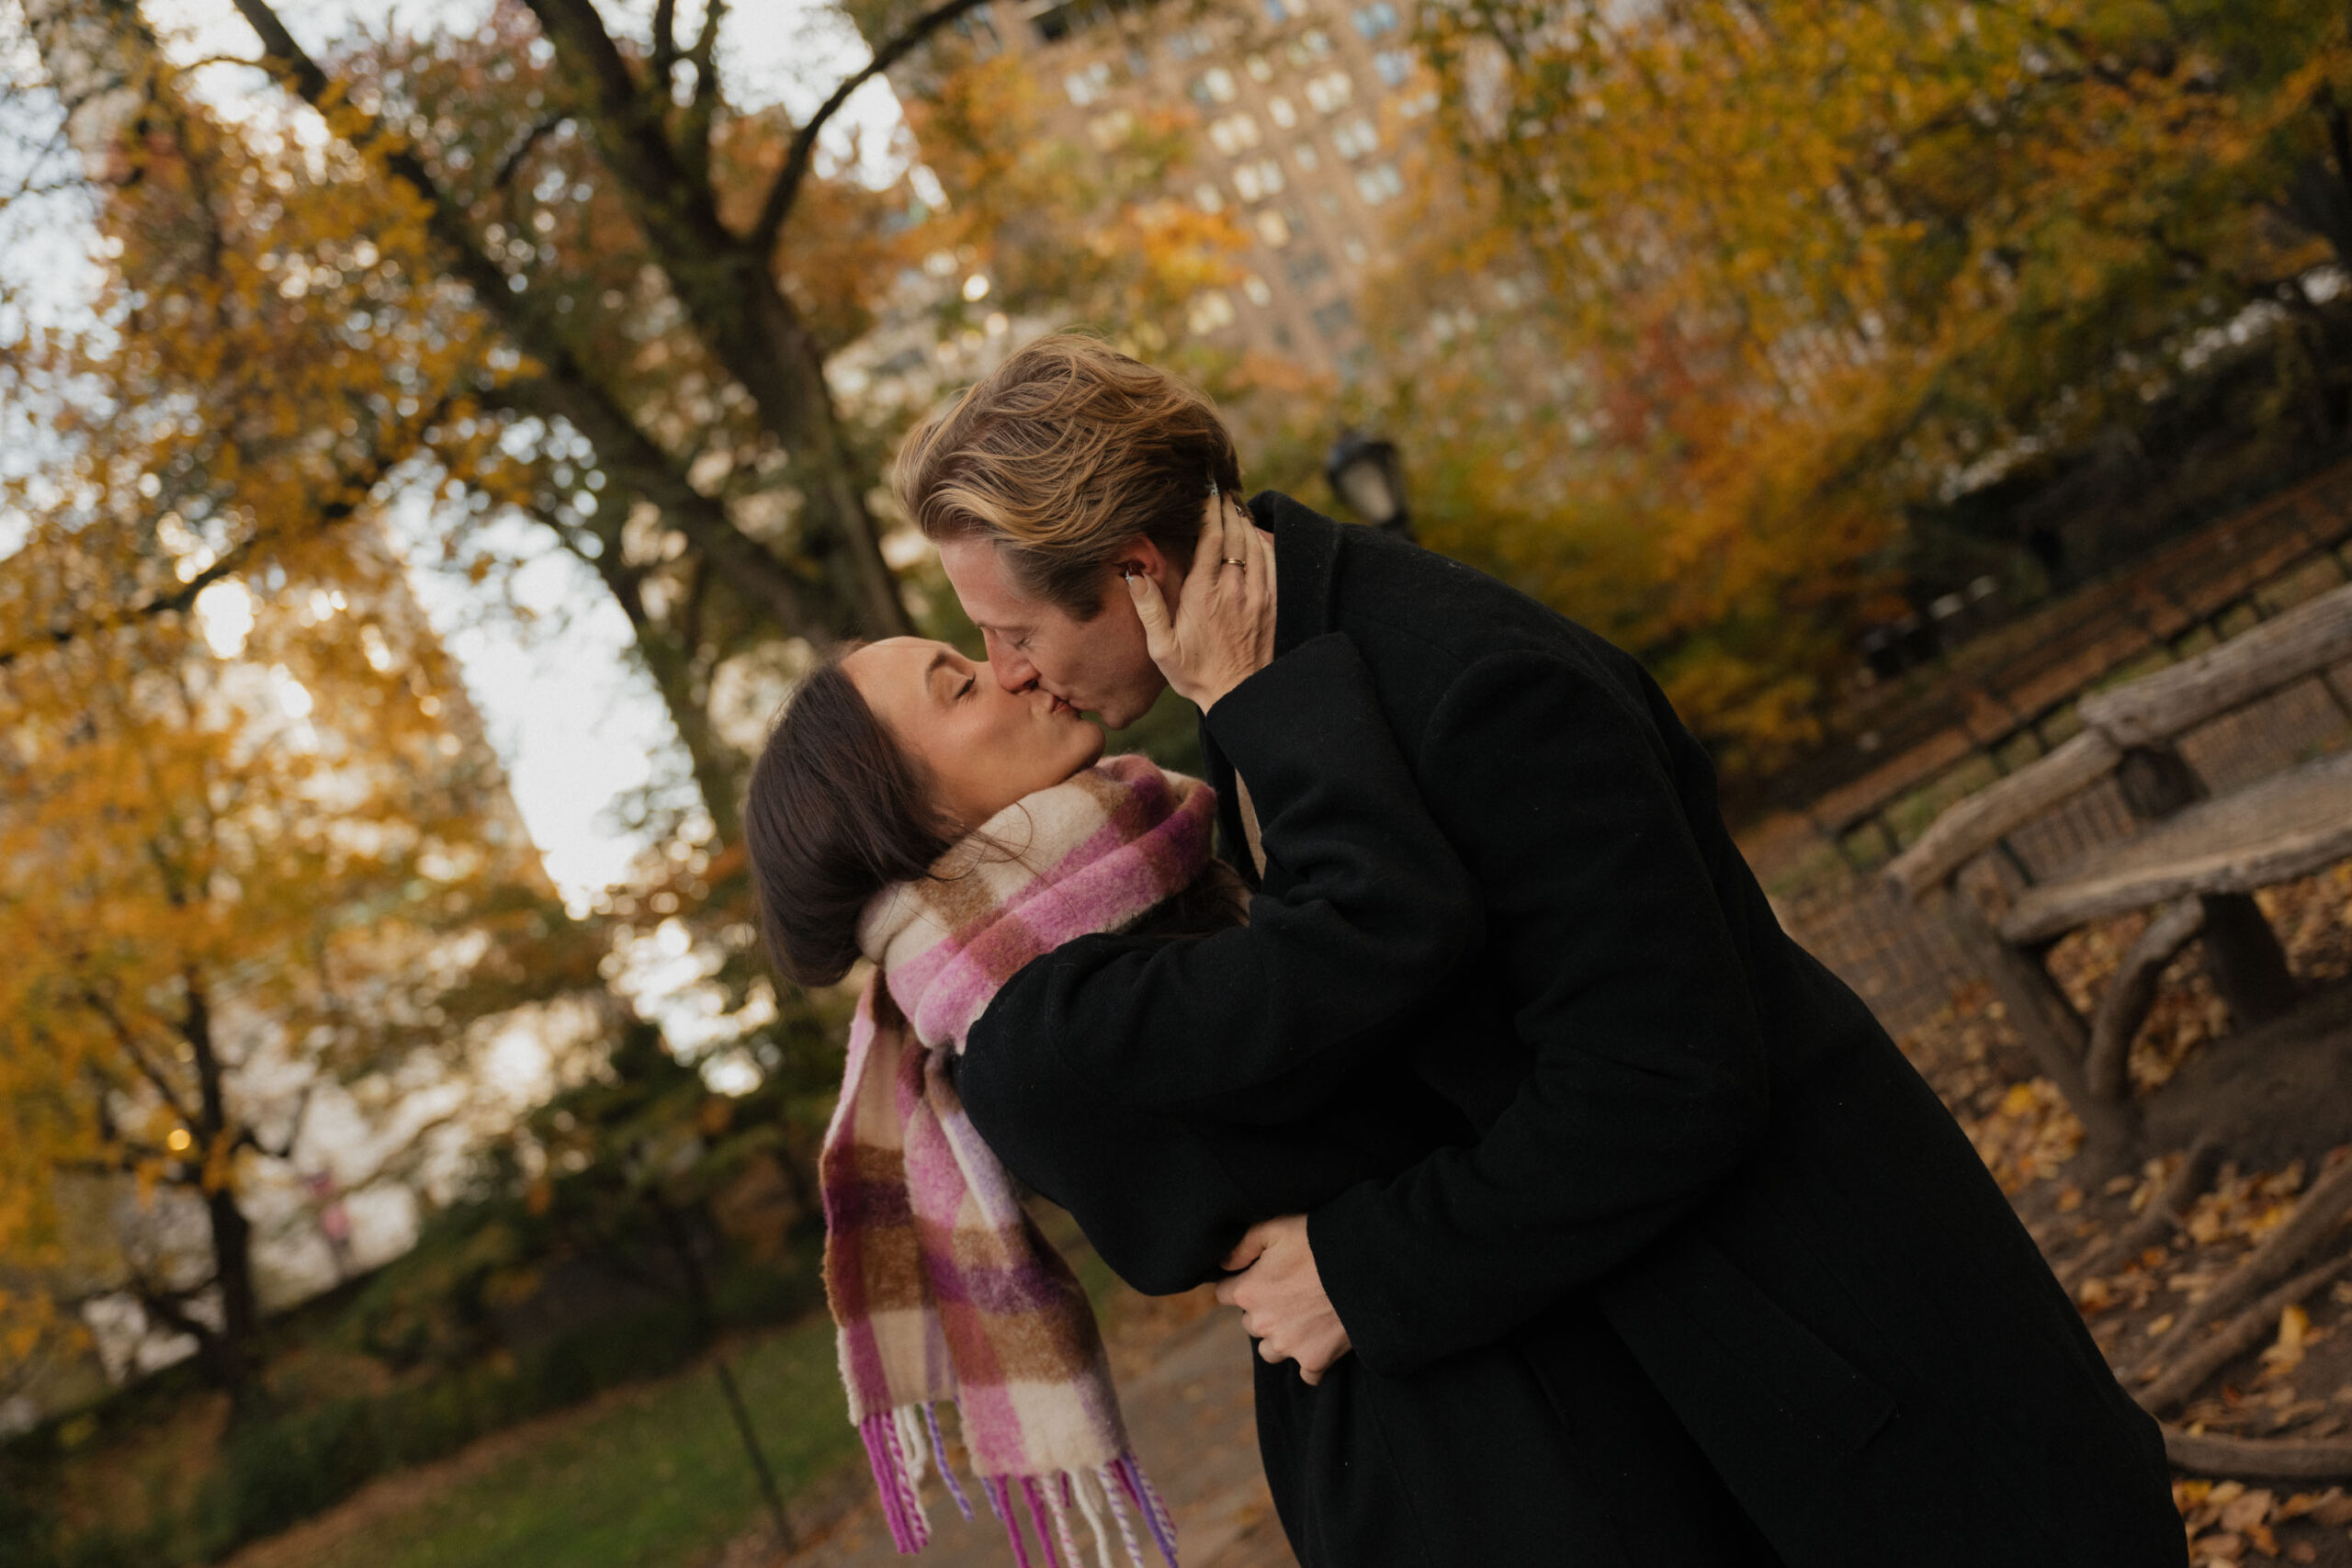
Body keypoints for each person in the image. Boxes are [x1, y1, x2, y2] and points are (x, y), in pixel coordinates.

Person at [876, 332, 2187, 1567]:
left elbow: (1665, 1080)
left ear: (1139, 572)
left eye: (1017, 634)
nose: (1012, 675)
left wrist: (1363, 1271)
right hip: (1724, 1378)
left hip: (1870, 1369)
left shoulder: (1473, 684)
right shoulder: (1258, 689)